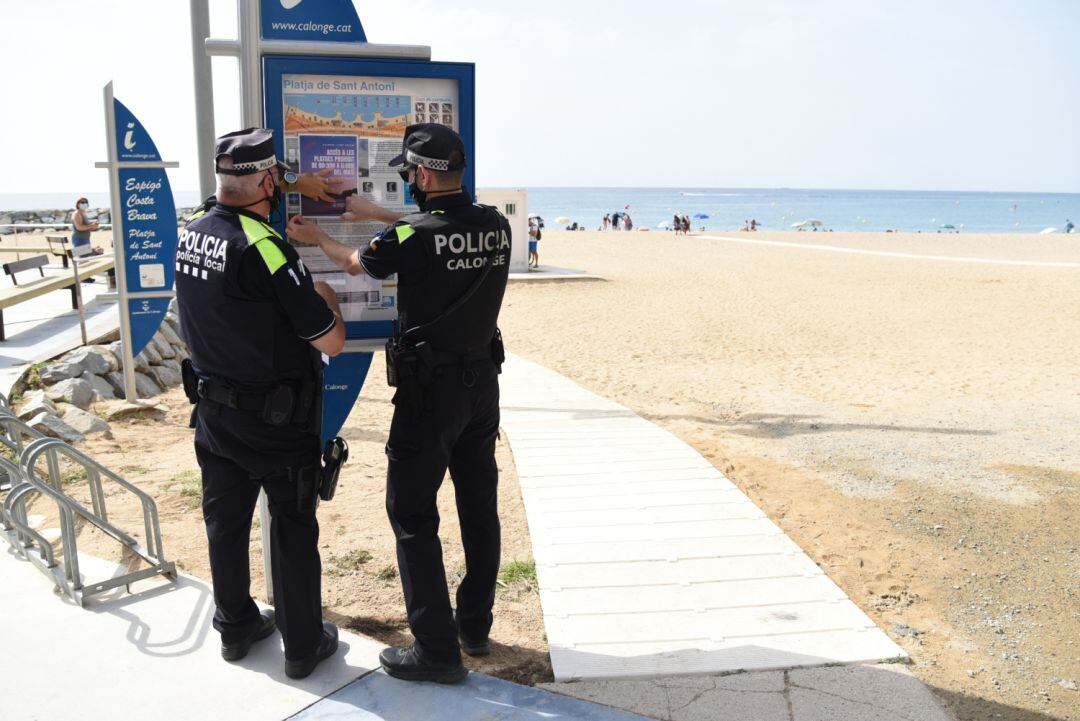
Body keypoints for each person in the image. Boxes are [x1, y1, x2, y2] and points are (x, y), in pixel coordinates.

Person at [287, 123, 511, 685]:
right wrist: (376, 212)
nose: (407, 181)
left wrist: (317, 237)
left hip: (429, 393)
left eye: (410, 173)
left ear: (426, 174)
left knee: (412, 513)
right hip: (482, 385)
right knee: (479, 506)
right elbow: (433, 231)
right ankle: (474, 626)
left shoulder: (414, 237)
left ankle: (436, 650)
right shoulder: (497, 226)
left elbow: (357, 263)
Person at [175, 128, 346, 680]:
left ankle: (236, 626)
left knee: (225, 522)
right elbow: (329, 341)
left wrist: (294, 177)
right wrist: (325, 297)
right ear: (268, 181)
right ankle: (302, 645)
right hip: (275, 421)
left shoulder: (193, 231)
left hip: (214, 412)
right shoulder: (267, 248)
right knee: (293, 525)